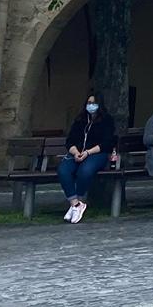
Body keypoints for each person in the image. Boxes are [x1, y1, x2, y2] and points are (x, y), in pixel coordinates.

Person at [57, 92, 117, 223]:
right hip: (77, 153)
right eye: (89, 103)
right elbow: (70, 141)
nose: (91, 106)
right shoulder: (80, 120)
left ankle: (77, 202)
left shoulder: (107, 120)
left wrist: (88, 152)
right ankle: (76, 204)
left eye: (94, 103)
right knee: (63, 170)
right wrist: (75, 152)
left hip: (96, 154)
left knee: (84, 171)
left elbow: (107, 142)